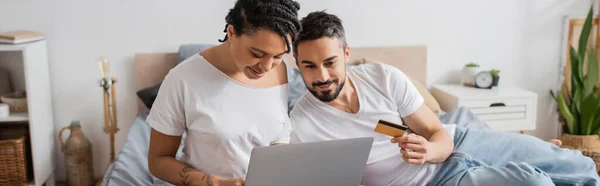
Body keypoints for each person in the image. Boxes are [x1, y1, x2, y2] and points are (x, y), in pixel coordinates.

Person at [289, 11, 600, 186]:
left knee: (578, 166)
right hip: (438, 180)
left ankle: (538, 156)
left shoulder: (383, 76)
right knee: (537, 184)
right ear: (296, 64)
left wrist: (429, 150)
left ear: (346, 54)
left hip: (456, 141)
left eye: (330, 63)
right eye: (309, 66)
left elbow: (437, 132)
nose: (322, 76)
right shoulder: (302, 125)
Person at [146, 0, 302, 186]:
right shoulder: (183, 78)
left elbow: (277, 134)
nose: (267, 67)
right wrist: (217, 183)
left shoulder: (280, 70)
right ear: (231, 33)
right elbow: (158, 161)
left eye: (278, 56)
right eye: (257, 54)